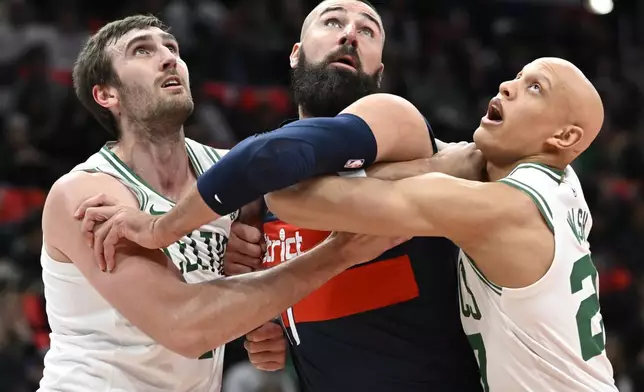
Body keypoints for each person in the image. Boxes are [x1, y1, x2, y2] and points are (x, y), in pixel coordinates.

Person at [38, 14, 408, 392]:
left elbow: (264, 278)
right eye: (142, 51)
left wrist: (269, 324)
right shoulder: (86, 195)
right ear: (107, 95)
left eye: (171, 48)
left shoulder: (227, 175)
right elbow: (182, 324)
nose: (168, 58)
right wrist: (341, 251)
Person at [263, 57, 619, 391]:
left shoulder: (499, 208)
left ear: (565, 138)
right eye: (518, 77)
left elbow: (290, 197)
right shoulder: (561, 180)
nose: (507, 87)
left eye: (535, 88)